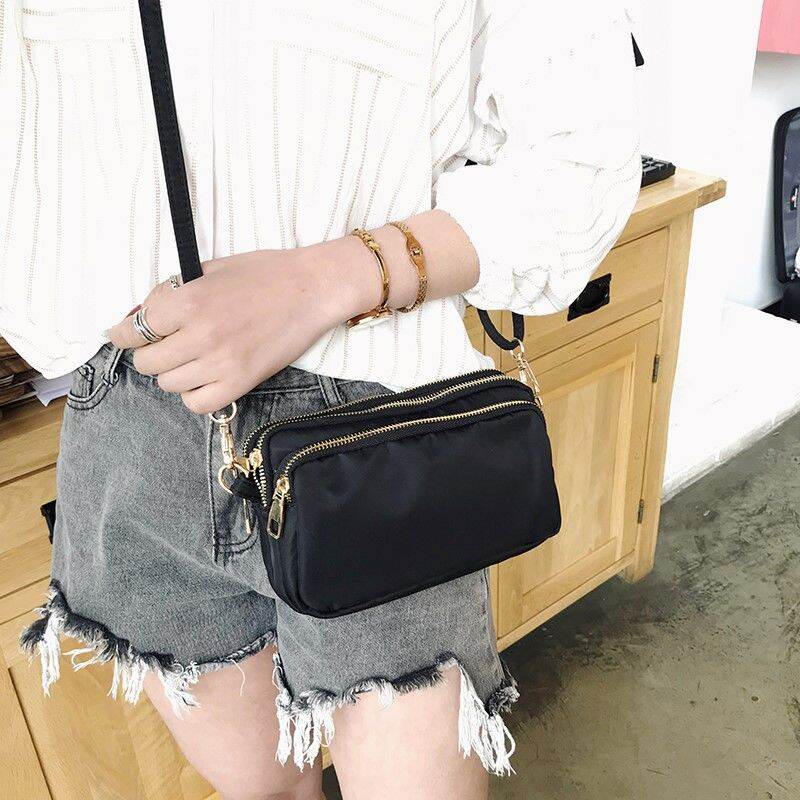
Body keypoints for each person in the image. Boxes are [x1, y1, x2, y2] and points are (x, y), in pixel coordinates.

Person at [2, 1, 641, 797]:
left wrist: (319, 282)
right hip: (134, 417)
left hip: (371, 432)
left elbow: (583, 167)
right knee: (262, 788)